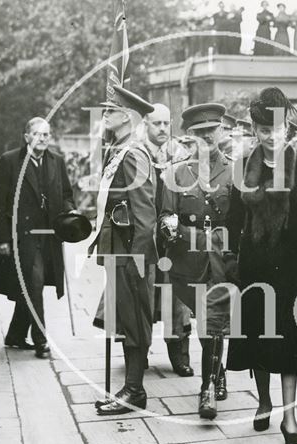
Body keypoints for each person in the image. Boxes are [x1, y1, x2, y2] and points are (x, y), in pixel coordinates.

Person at [226, 87, 297, 444]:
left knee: (289, 336)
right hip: (252, 264)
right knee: (257, 333)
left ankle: (290, 417)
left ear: (287, 127)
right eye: (264, 130)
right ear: (254, 130)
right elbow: (231, 219)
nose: (271, 136)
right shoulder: (241, 167)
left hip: (289, 265)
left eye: (278, 128)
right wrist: (228, 261)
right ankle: (264, 401)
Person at [159, 103, 232, 419]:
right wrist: (167, 224)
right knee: (203, 322)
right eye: (200, 133)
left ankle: (208, 387)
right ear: (191, 137)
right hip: (188, 255)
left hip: (221, 254)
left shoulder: (235, 171)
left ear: (221, 131)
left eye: (211, 131)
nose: (207, 137)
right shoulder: (177, 172)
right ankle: (217, 368)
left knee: (212, 321)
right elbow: (165, 213)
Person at [91, 86, 158, 415]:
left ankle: (135, 390)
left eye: (112, 109)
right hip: (119, 246)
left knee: (134, 320)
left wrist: (138, 260)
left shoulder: (133, 154)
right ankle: (131, 387)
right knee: (124, 317)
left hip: (133, 250)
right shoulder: (117, 149)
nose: (106, 113)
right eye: (106, 108)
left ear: (129, 117)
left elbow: (146, 215)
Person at [0, 117, 75, 358]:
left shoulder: (56, 162)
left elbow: (67, 194)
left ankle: (15, 335)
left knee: (31, 285)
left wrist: (70, 209)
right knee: (35, 283)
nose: (43, 138)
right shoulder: (9, 161)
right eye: (38, 134)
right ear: (26, 137)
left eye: (47, 134)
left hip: (49, 236)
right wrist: (1, 239)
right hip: (22, 236)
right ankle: (41, 339)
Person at [143, 103, 194, 377]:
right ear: (146, 125)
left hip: (175, 238)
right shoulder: (137, 154)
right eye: (156, 123)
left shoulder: (182, 155)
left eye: (166, 123)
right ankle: (138, 352)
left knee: (178, 298)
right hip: (147, 235)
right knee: (144, 297)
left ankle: (180, 356)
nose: (162, 129)